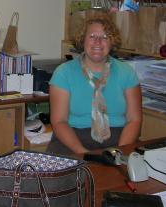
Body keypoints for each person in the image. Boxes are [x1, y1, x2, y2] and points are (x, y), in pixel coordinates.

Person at [47, 13, 142, 155]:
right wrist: (86, 155)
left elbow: (134, 120)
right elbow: (59, 122)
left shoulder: (126, 72)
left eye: (104, 37)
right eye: (92, 36)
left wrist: (119, 153)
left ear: (112, 41)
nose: (98, 42)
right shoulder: (64, 73)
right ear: (82, 40)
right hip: (72, 141)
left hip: (119, 140)